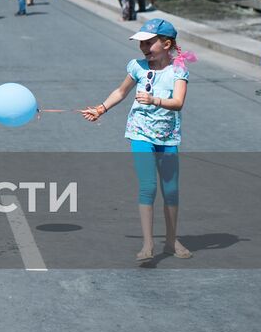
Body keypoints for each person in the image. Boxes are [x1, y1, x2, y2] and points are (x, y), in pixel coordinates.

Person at [82, 18, 193, 264]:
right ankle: (148, 243)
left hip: (167, 136)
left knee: (171, 190)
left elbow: (178, 103)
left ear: (166, 44)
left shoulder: (178, 71)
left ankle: (172, 240)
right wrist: (101, 108)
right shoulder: (138, 67)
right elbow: (121, 92)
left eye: (148, 43)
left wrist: (154, 100)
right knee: (148, 186)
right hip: (140, 133)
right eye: (140, 43)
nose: (143, 48)